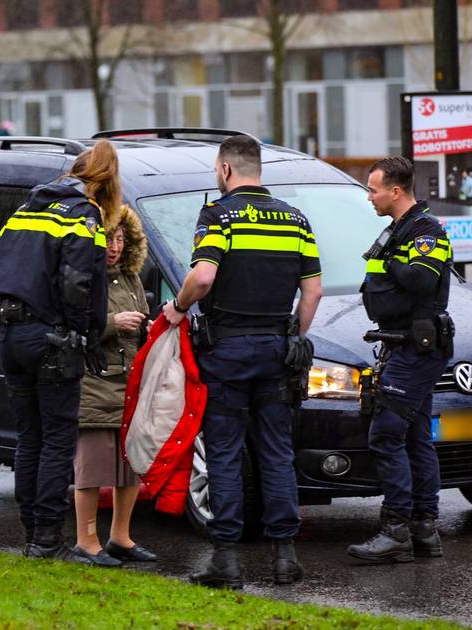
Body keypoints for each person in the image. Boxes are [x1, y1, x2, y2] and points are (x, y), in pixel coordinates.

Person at [163, 135, 323, 589]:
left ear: (226, 170)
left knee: (225, 454)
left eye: (217, 169)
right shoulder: (295, 220)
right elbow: (312, 291)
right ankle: (285, 558)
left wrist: (178, 304)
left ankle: (226, 561)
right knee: (276, 453)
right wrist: (294, 335)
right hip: (276, 352)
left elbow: (205, 275)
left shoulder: (218, 216)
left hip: (227, 355)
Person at [0, 139, 119, 562]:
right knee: (58, 439)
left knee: (30, 436)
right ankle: (47, 539)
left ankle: (32, 533)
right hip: (51, 338)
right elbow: (79, 283)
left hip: (9, 334)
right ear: (105, 181)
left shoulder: (24, 211)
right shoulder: (84, 215)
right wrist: (84, 334)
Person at [349, 156, 453, 564]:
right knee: (414, 437)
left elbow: (422, 279)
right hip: (403, 343)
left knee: (386, 434)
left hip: (417, 348)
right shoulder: (397, 231)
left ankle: (395, 531)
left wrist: (390, 262)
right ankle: (425, 531)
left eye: (373, 189)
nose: (369, 197)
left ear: (395, 191)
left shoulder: (427, 231)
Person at [72, 203, 157, 567]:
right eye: (107, 239)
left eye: (120, 238)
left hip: (129, 386)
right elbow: (74, 327)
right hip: (94, 384)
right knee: (90, 470)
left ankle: (120, 537)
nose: (114, 246)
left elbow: (138, 325)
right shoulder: (84, 278)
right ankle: (86, 541)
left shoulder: (132, 278)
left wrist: (148, 329)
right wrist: (112, 323)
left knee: (130, 466)